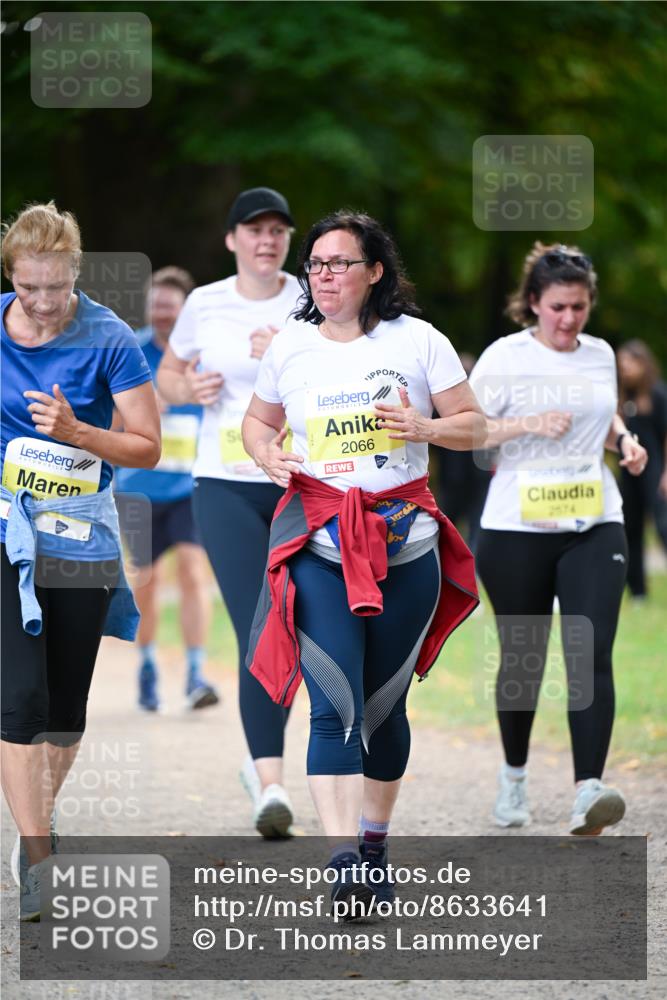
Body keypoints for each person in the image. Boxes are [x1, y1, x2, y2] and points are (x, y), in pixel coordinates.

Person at [242, 210, 483, 915]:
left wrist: (428, 427)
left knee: (383, 709)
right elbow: (258, 422)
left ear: (374, 272)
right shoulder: (290, 346)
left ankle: (374, 848)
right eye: (315, 264)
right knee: (333, 707)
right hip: (319, 540)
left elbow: (473, 425)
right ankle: (343, 862)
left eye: (339, 263)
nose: (324, 275)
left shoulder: (418, 340)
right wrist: (265, 453)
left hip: (405, 546)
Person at [0, 202, 160, 920]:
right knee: (19, 700)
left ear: (75, 274)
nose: (41, 304)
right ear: (11, 276)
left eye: (55, 288)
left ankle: (40, 814)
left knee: (64, 711)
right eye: (28, 287)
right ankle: (38, 856)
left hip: (80, 537)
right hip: (7, 530)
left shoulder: (110, 337)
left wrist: (77, 431)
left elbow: (147, 444)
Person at [469, 242, 648, 836]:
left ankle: (587, 791)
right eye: (558, 307)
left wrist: (623, 441)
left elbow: (604, 412)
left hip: (595, 519)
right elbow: (467, 433)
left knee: (589, 650)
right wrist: (528, 424)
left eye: (578, 307)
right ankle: (514, 778)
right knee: (524, 657)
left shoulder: (599, 355)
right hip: (516, 527)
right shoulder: (503, 358)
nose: (569, 319)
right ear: (533, 305)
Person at [156, 188, 301, 836]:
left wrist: (290, 351)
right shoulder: (204, 302)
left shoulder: (309, 299)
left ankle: (271, 756)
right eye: (254, 230)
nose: (266, 240)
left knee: (303, 624)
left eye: (277, 230)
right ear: (231, 240)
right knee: (258, 623)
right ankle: (268, 777)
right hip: (225, 482)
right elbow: (166, 375)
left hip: (302, 481)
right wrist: (186, 388)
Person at [115, 266, 217, 711]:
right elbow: (107, 425)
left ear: (184, 310)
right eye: (155, 305)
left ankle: (196, 673)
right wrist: (144, 410)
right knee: (147, 583)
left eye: (169, 307)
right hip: (137, 490)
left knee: (195, 574)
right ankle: (148, 664)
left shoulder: (203, 356)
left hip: (189, 486)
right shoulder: (129, 351)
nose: (162, 314)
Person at [616, 339, 667, 599]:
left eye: (629, 361)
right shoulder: (623, 398)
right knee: (631, 529)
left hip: (655, 471)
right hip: (629, 473)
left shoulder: (657, 394)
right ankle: (638, 590)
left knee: (663, 525)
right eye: (621, 362)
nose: (624, 367)